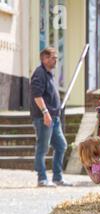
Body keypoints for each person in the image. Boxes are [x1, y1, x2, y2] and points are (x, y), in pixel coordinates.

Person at [30, 47, 72, 188]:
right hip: (44, 118)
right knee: (42, 148)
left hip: (54, 118)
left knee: (61, 145)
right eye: (53, 57)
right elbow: (37, 95)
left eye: (56, 57)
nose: (56, 60)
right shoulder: (39, 73)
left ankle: (57, 177)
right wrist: (45, 112)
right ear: (45, 59)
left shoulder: (49, 74)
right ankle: (42, 179)